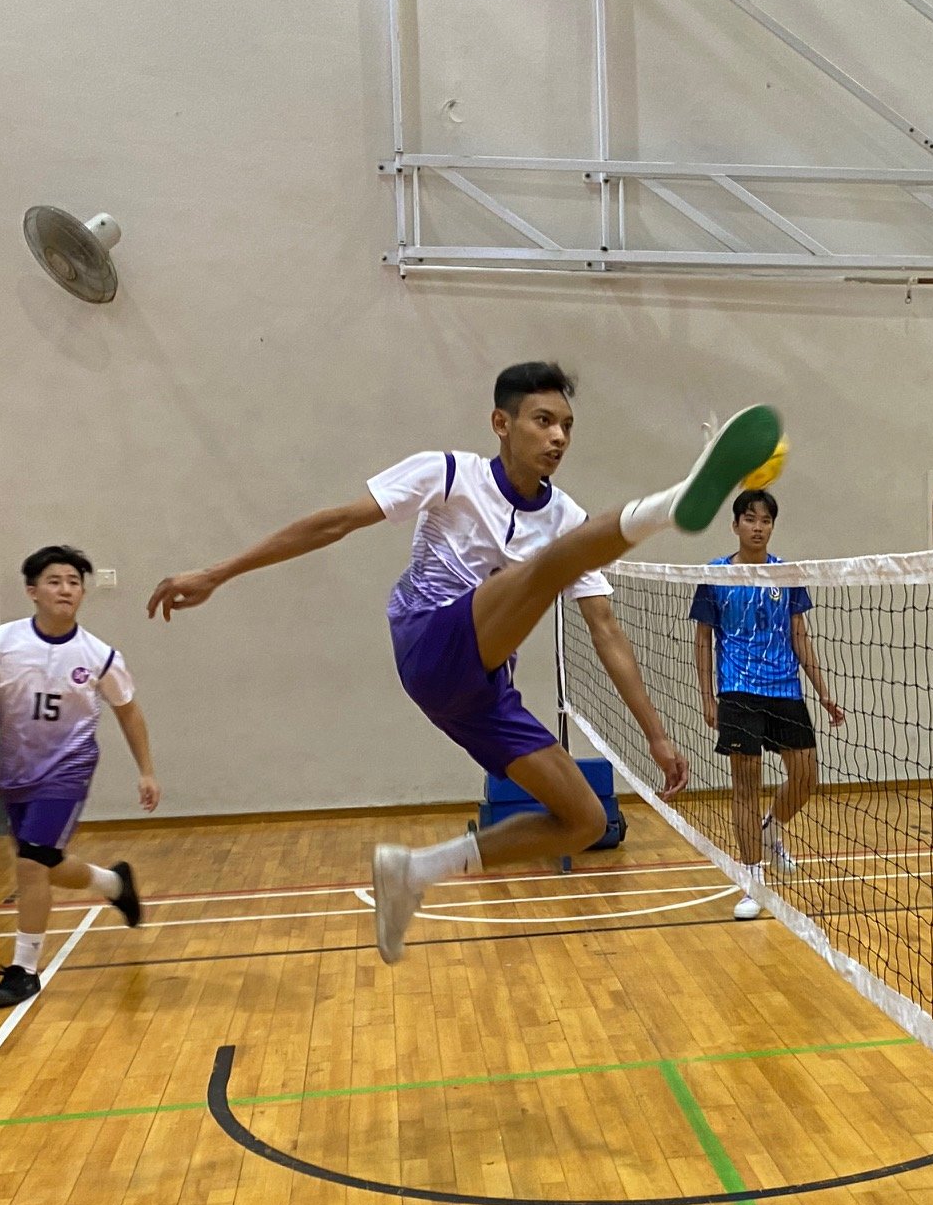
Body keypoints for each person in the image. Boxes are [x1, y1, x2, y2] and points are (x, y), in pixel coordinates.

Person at [147, 361, 782, 961]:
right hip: (429, 640)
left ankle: (415, 871)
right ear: (500, 424)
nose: (558, 436)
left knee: (584, 821)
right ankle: (672, 503)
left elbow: (606, 629)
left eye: (566, 426)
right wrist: (218, 572)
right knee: (545, 569)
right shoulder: (448, 474)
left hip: (481, 688)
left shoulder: (566, 517)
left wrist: (657, 734)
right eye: (542, 420)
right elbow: (334, 522)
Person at [0, 545, 157, 1008]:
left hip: (68, 770)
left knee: (30, 864)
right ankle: (113, 883)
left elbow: (128, 712)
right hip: (18, 774)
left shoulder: (98, 655)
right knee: (44, 864)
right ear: (32, 591)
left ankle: (24, 970)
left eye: (73, 582)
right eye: (54, 581)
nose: (66, 589)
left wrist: (147, 771)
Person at [689, 489, 844, 919]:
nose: (758, 527)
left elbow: (800, 635)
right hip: (737, 691)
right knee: (745, 783)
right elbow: (703, 640)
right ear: (736, 524)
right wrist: (708, 697)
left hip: (785, 688)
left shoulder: (786, 574)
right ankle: (752, 879)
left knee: (806, 774)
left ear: (772, 527)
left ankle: (772, 829)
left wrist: (823, 692)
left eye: (766, 520)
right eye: (750, 518)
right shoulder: (716, 574)